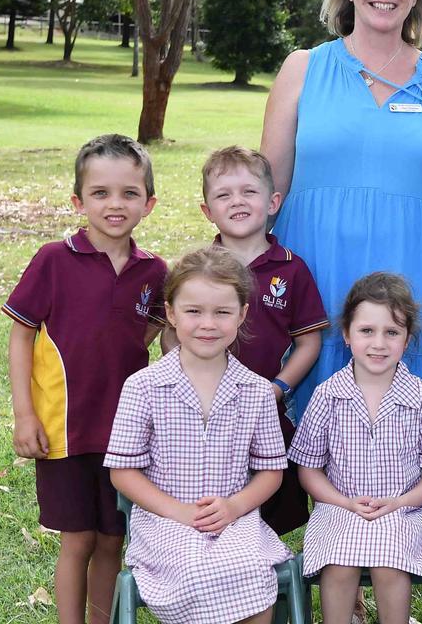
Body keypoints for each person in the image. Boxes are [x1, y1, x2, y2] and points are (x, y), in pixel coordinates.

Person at [261, 0, 422, 425]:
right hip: (313, 274)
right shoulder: (302, 68)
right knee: (306, 429)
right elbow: (267, 191)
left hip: (413, 273)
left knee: (404, 434)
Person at [3, 134, 166, 624]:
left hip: (128, 432)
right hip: (63, 431)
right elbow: (21, 337)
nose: (114, 204)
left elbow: (157, 338)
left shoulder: (154, 271)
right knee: (78, 540)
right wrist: (24, 414)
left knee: (113, 539)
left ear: (149, 203)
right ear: (78, 201)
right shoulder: (54, 259)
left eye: (128, 193)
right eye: (100, 193)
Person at [105, 248, 292, 624]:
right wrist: (180, 513)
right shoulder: (144, 386)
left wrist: (235, 507)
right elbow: (122, 471)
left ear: (241, 315)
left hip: (235, 518)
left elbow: (272, 471)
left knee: (250, 571)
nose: (208, 323)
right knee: (194, 572)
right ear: (171, 313)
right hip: (165, 520)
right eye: (193, 311)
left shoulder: (255, 390)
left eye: (222, 312)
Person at [289, 273, 422, 624]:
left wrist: (400, 501)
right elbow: (308, 468)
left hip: (403, 511)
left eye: (392, 333)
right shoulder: (328, 395)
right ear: (347, 335)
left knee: (388, 562)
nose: (379, 343)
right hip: (340, 507)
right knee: (338, 562)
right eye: (367, 331)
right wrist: (341, 501)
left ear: (407, 339)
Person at [200, 146, 329, 535]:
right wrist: (200, 385)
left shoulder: (291, 268)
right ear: (207, 210)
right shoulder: (199, 268)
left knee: (274, 508)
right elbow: (173, 337)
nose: (237, 202)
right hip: (211, 413)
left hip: (268, 411)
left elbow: (309, 342)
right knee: (218, 501)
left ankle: (274, 584)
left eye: (248, 192)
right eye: (223, 195)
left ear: (273, 202)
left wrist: (278, 388)